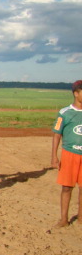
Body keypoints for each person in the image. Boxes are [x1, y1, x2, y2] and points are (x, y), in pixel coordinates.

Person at [50, 79, 82, 229]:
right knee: (67, 188)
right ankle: (64, 219)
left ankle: (81, 217)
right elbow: (57, 134)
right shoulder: (64, 113)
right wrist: (54, 156)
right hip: (69, 155)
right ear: (76, 93)